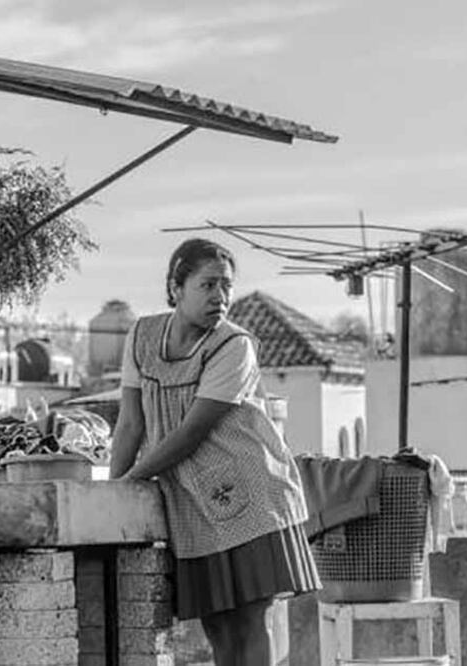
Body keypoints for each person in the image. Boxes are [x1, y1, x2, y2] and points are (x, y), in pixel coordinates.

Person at [109, 238, 320, 666]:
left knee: (249, 620)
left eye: (226, 286)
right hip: (190, 503)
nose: (220, 297)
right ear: (176, 287)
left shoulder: (233, 346)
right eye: (208, 285)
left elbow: (191, 432)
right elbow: (131, 424)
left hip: (250, 496)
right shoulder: (141, 337)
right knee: (217, 626)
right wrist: (113, 492)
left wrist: (133, 480)